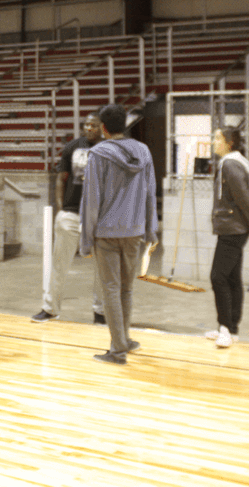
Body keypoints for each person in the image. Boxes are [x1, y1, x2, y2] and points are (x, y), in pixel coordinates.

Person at [79, 104, 158, 365]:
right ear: (125, 124)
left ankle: (118, 350)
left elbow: (91, 200)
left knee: (110, 289)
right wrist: (151, 229)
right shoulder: (143, 151)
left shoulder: (98, 154)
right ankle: (124, 339)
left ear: (103, 127)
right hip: (135, 231)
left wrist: (86, 240)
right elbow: (150, 193)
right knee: (127, 289)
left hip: (107, 233)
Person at [32, 113, 106, 325]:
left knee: (102, 267)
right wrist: (60, 207)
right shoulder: (72, 147)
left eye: (94, 125)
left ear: (102, 127)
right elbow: (61, 178)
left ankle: (100, 312)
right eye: (87, 125)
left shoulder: (108, 148)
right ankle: (50, 308)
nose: (89, 128)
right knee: (60, 264)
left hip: (98, 217)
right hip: (71, 213)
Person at [207, 127, 249, 348]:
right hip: (234, 227)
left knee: (218, 277)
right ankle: (232, 329)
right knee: (231, 278)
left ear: (229, 143)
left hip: (234, 228)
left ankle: (225, 328)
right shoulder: (232, 163)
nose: (213, 142)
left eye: (217, 138)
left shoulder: (230, 164)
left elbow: (244, 197)